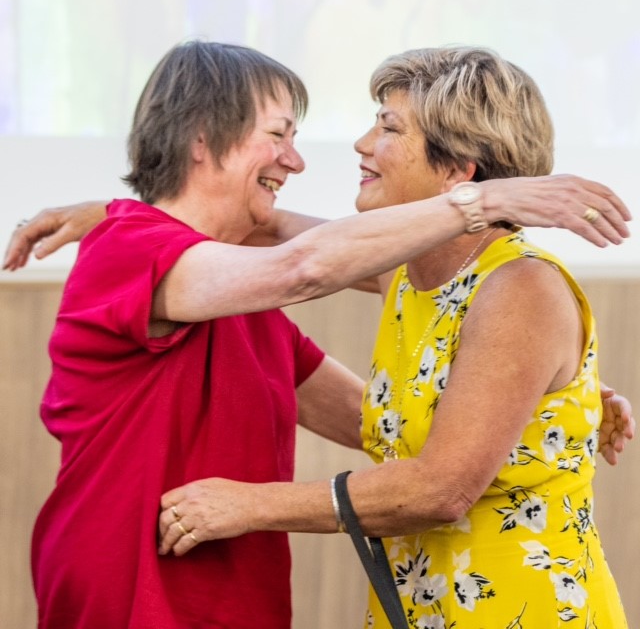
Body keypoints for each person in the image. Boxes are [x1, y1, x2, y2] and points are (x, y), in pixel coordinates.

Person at [2, 42, 634, 629]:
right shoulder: (162, 259)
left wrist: (535, 397)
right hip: (138, 583)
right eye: (278, 135)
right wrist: (106, 214)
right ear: (202, 138)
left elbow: (401, 434)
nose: (305, 159)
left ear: (457, 169)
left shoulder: (242, 291)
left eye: (387, 127)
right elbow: (301, 263)